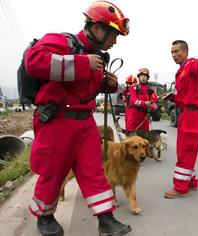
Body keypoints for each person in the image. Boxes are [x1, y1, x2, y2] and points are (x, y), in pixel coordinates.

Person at [24, 1, 132, 236]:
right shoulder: (62, 41)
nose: (115, 41)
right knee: (53, 171)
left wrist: (107, 85)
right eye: (114, 35)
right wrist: (83, 63)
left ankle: (106, 218)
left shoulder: (97, 57)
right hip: (58, 121)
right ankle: (45, 216)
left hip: (85, 123)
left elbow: (87, 87)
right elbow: (34, 61)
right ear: (98, 28)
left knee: (94, 169)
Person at [164, 40, 198, 198]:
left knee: (186, 150)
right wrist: (173, 97)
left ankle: (181, 188)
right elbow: (185, 96)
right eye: (172, 52)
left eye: (177, 51)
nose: (174, 55)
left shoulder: (191, 64)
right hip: (185, 114)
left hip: (191, 115)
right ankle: (190, 181)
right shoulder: (181, 70)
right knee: (184, 150)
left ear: (186, 52)